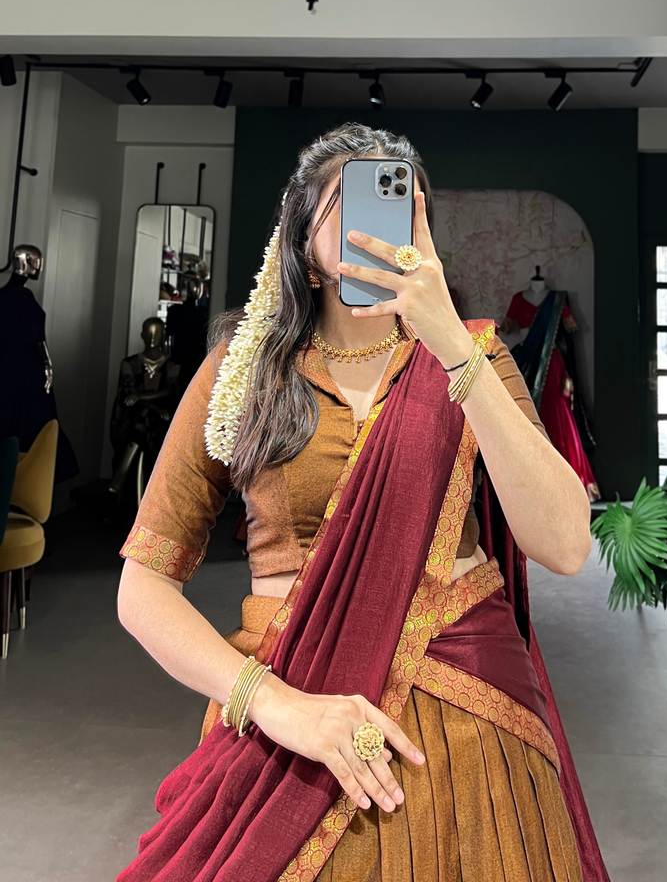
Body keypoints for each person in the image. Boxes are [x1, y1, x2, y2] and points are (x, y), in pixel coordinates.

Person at [115, 122, 609, 881]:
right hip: (292, 718)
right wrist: (275, 705)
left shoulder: (472, 354)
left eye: (399, 203)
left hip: (472, 731)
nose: (377, 225)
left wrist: (450, 344)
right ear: (301, 241)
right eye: (350, 202)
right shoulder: (242, 371)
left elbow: (567, 545)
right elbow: (143, 587)